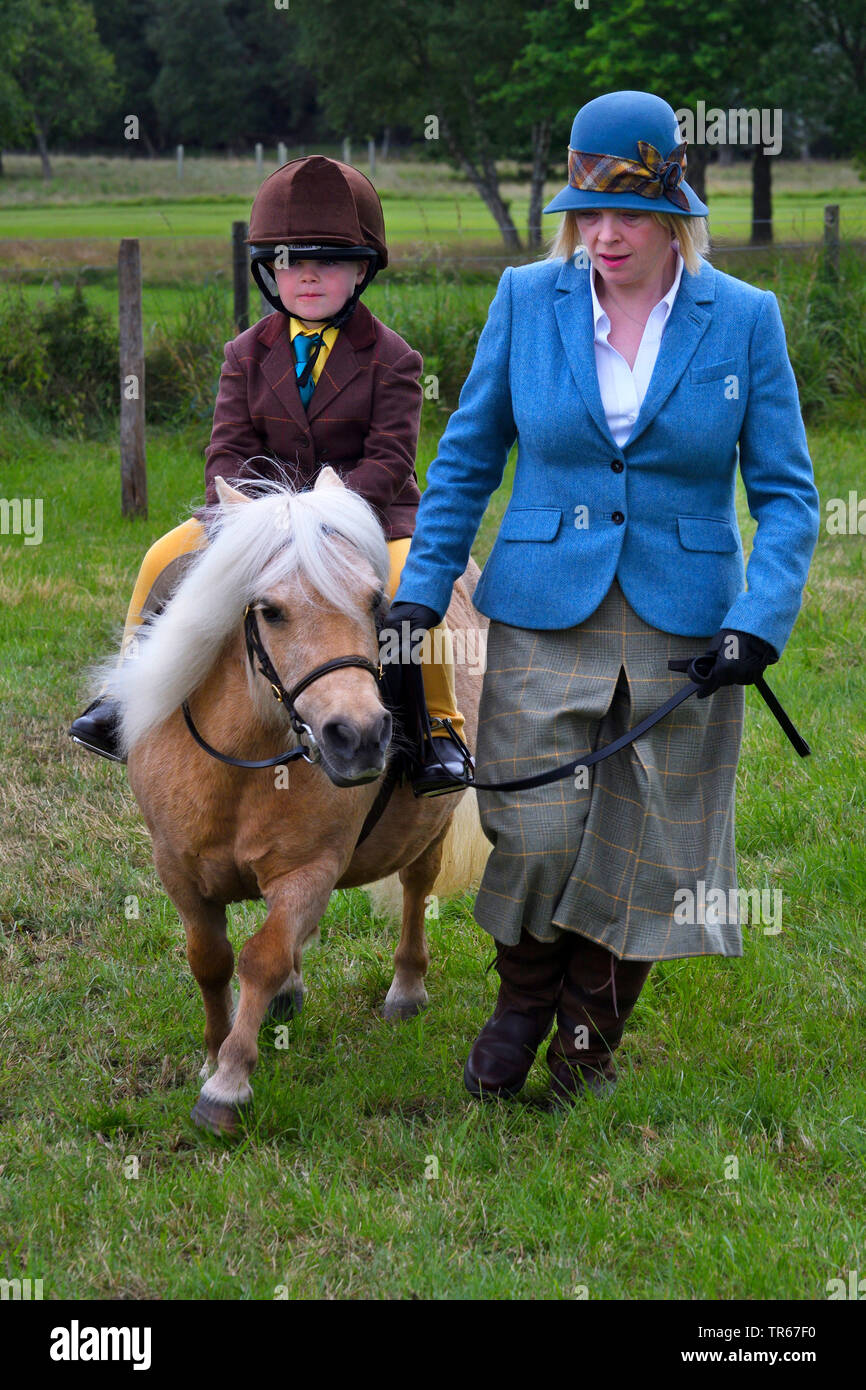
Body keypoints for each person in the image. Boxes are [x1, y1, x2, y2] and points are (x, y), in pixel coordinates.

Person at [385, 90, 820, 1103]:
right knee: (530, 823)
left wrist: (758, 620)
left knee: (651, 839)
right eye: (586, 212)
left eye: (624, 215)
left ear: (674, 213)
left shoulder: (744, 320)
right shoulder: (524, 299)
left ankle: (588, 1028)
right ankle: (521, 999)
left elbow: (788, 493)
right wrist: (417, 592)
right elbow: (462, 461)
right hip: (542, 605)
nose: (603, 235)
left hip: (689, 624)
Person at [69, 156, 469, 796]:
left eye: (328, 261)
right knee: (160, 558)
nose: (307, 274)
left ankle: (438, 731)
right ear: (269, 270)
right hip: (258, 521)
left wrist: (326, 516)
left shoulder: (394, 359)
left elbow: (390, 460)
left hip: (368, 519)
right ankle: (123, 699)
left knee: (412, 586)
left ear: (362, 270)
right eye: (289, 260)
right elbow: (227, 450)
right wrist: (255, 518)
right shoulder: (245, 354)